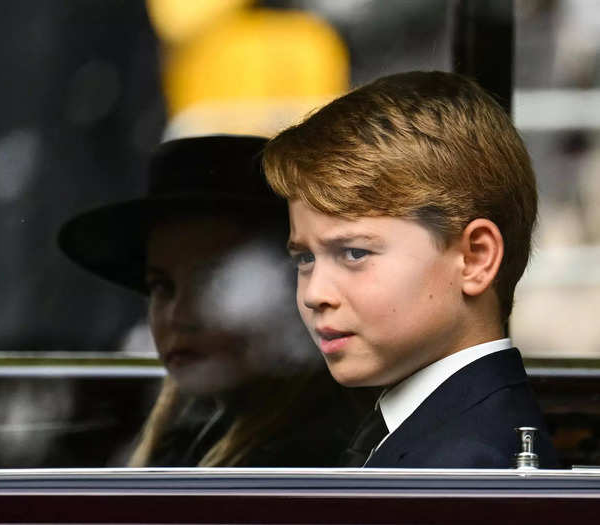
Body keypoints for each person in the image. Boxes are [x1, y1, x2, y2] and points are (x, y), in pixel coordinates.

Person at [262, 71, 558, 468]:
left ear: (475, 259)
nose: (315, 293)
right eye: (305, 259)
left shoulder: (467, 470)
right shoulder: (435, 434)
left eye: (353, 253)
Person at [58, 135, 363, 467]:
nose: (179, 317)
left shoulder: (310, 460)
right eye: (162, 286)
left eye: (212, 284)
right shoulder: (194, 437)